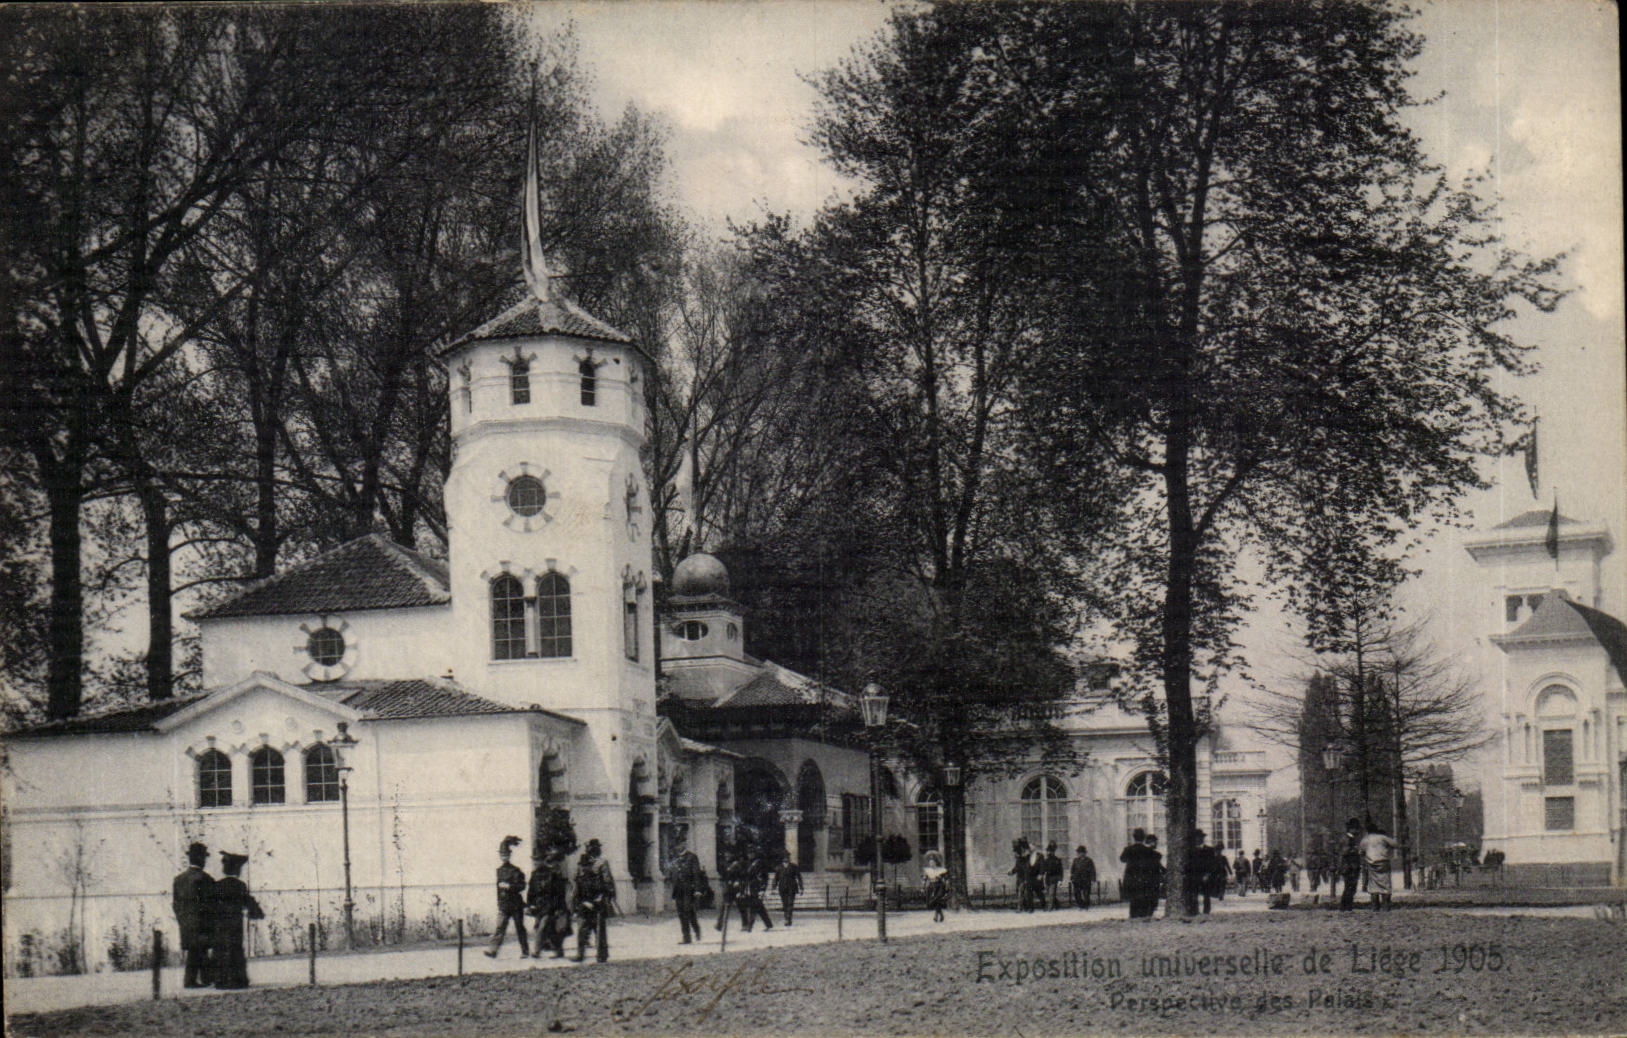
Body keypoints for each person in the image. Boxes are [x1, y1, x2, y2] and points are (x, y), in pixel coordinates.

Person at [211, 852, 264, 989]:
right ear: (237, 869)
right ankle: (238, 980)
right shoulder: (239, 885)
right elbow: (247, 901)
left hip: (219, 923)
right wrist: (256, 912)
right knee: (235, 949)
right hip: (235, 922)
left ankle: (220, 980)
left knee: (221, 949)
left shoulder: (217, 885)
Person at [172, 841, 215, 988]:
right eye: (204, 858)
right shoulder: (206, 879)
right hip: (202, 923)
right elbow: (211, 904)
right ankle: (199, 980)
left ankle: (198, 979)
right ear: (201, 859)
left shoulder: (178, 880)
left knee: (194, 951)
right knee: (200, 950)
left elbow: (175, 905)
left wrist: (182, 920)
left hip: (186, 923)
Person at [484, 835, 529, 958]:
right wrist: (499, 903)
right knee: (499, 928)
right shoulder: (499, 871)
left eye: (506, 854)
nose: (504, 857)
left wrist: (510, 886)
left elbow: (522, 886)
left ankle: (525, 951)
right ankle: (493, 951)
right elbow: (498, 890)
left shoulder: (516, 871)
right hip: (504, 904)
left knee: (519, 928)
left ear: (510, 855)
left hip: (515, 904)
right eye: (502, 855)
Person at [573, 838, 615, 962]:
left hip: (598, 900)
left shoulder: (602, 863)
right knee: (582, 928)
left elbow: (607, 882)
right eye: (588, 848)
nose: (590, 850)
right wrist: (578, 901)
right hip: (584, 900)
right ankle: (580, 954)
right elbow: (577, 883)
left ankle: (602, 955)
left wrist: (602, 898)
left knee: (599, 929)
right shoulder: (581, 864)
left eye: (593, 848)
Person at [527, 848, 571, 958]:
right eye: (534, 860)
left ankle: (536, 951)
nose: (536, 862)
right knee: (546, 929)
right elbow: (531, 891)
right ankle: (558, 950)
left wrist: (557, 907)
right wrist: (530, 904)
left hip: (550, 905)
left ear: (543, 860)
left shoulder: (552, 874)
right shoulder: (534, 875)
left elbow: (559, 893)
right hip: (538, 905)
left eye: (538, 860)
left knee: (543, 927)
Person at [669, 841, 705, 945]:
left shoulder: (692, 857)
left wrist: (698, 889)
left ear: (684, 845)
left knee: (688, 911)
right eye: (676, 845)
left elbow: (696, 874)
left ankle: (696, 929)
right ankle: (686, 937)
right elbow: (673, 873)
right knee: (681, 913)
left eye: (679, 844)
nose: (677, 847)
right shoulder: (675, 858)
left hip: (689, 890)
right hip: (678, 891)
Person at [1358, 824, 1399, 911]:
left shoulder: (1365, 839)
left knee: (1373, 885)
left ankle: (1375, 906)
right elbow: (1395, 844)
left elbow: (1361, 851)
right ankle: (1386, 905)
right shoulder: (1382, 837)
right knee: (1386, 883)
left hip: (1372, 864)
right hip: (1383, 862)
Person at [739, 855, 774, 933]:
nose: (749, 855)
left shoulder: (759, 864)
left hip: (756, 890)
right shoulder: (749, 864)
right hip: (750, 889)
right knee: (760, 909)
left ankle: (749, 927)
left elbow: (764, 878)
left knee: (753, 908)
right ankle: (769, 925)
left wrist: (762, 890)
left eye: (751, 853)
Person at [1338, 819, 1364, 911]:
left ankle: (1347, 906)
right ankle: (1345, 906)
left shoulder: (1350, 838)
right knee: (1349, 887)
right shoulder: (1347, 839)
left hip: (1351, 866)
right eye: (1356, 829)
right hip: (1349, 867)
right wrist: (1356, 850)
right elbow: (1344, 852)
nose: (1358, 831)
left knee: (1351, 887)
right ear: (1352, 829)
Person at [774, 856, 802, 927]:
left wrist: (801, 888)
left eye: (787, 859)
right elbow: (776, 878)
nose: (786, 860)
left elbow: (799, 877)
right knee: (784, 904)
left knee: (790, 903)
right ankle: (786, 917)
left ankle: (788, 919)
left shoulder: (794, 867)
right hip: (782, 888)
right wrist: (773, 887)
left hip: (791, 888)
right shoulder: (779, 867)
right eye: (784, 859)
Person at [922, 849, 949, 923]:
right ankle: (941, 915)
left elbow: (946, 879)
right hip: (931, 886)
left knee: (937, 899)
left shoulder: (942, 870)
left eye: (933, 862)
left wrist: (942, 879)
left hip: (940, 886)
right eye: (930, 863)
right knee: (934, 901)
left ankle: (936, 916)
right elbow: (925, 879)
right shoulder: (927, 870)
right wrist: (923, 886)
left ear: (936, 862)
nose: (931, 864)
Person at [1010, 838, 1035, 912]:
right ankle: (1025, 907)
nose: (1015, 854)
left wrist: (1026, 879)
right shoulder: (1020, 858)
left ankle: (1025, 908)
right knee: (1021, 892)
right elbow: (1017, 867)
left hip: (1026, 877)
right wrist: (1012, 871)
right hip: (1021, 877)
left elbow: (1027, 868)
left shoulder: (1026, 858)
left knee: (1026, 893)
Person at [1069, 845, 1096, 909]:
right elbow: (1072, 870)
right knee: (1077, 894)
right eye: (1078, 853)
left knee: (1086, 894)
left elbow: (1092, 870)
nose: (1079, 854)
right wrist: (1072, 877)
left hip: (1086, 880)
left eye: (1081, 852)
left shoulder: (1089, 860)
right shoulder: (1075, 860)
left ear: (1084, 853)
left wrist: (1092, 880)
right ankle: (1081, 905)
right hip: (1077, 880)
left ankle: (1086, 906)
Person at [1042, 843, 1064, 910]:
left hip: (1054, 878)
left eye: (1050, 851)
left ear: (1053, 852)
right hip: (1047, 879)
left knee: (1051, 894)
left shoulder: (1057, 860)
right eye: (1048, 851)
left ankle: (1050, 908)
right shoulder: (1046, 860)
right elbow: (1043, 869)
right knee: (1050, 893)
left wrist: (1060, 880)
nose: (1049, 852)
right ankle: (1057, 905)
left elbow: (1060, 871)